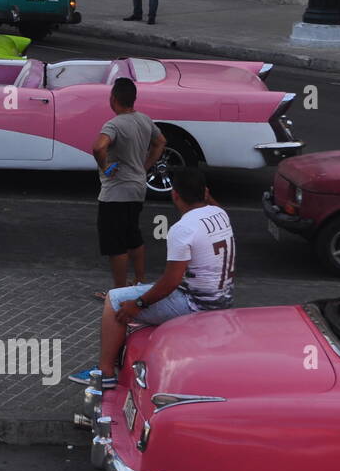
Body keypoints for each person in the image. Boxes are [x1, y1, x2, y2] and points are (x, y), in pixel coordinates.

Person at [68, 167, 235, 389]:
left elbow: (171, 282)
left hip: (196, 305)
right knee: (146, 290)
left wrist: (137, 305)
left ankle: (105, 373)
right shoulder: (220, 214)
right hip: (223, 300)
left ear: (175, 195)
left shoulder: (182, 229)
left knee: (115, 299)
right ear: (206, 192)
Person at [92, 77, 167, 290]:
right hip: (137, 188)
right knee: (133, 236)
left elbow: (98, 147)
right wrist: (146, 165)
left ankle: (118, 291)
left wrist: (105, 166)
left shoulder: (114, 124)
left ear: (113, 99)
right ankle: (140, 281)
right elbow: (161, 142)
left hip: (116, 192)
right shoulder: (144, 120)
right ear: (133, 99)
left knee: (116, 244)